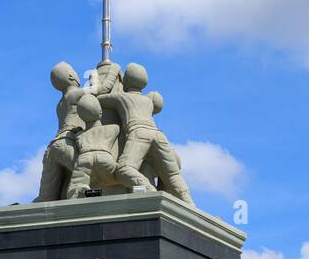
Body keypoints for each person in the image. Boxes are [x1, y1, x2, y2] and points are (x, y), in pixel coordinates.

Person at [99, 63, 194, 205]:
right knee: (173, 174)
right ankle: (190, 204)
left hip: (139, 133)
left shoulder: (122, 97)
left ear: (126, 81)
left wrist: (112, 74)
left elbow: (99, 99)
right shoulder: (148, 101)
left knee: (124, 169)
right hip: (158, 135)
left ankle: (148, 189)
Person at [35, 63, 86, 202]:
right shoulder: (76, 94)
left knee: (47, 195)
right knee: (84, 173)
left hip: (53, 147)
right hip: (67, 143)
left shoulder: (60, 104)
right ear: (71, 76)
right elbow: (100, 89)